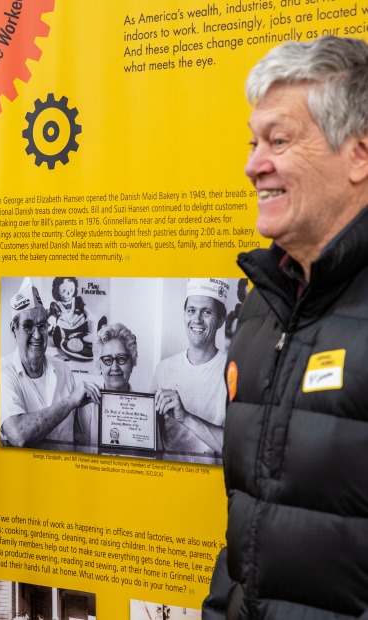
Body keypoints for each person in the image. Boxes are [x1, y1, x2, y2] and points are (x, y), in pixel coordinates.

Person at [203, 36, 368, 618]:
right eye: (253, 142)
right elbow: (249, 519)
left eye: (279, 140)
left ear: (359, 154)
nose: (253, 165)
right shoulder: (264, 303)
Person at [0, 278, 99, 447]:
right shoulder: (2, 371)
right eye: (28, 326)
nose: (37, 335)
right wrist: (71, 401)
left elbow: (76, 436)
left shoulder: (63, 370)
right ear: (13, 330)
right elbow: (18, 435)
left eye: (42, 326)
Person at [150, 278, 228, 457]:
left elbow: (236, 447)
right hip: (171, 478)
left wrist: (185, 417)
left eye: (206, 312)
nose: (197, 319)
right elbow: (150, 434)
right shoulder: (164, 369)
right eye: (191, 310)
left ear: (221, 320)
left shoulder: (233, 371)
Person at [74, 322, 138, 445]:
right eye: (108, 360)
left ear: (132, 363)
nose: (115, 367)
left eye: (121, 359)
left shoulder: (146, 408)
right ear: (100, 365)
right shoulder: (86, 407)